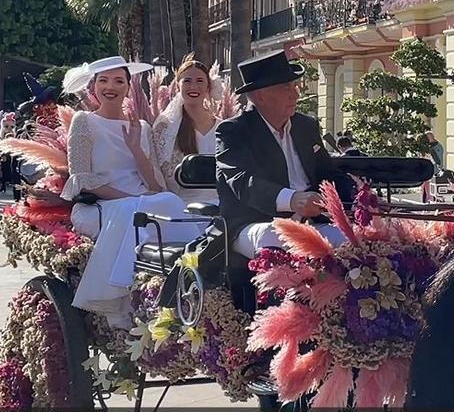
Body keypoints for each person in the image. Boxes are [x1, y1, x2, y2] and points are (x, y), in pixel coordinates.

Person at [60, 56, 201, 328]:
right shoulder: (84, 121)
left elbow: (156, 185)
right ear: (94, 87)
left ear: (128, 86)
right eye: (104, 80)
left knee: (169, 200)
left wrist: (136, 148)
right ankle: (113, 301)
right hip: (98, 206)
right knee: (132, 211)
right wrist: (131, 199)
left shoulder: (142, 127)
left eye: (118, 81)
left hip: (142, 202)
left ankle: (195, 274)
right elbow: (83, 180)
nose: (110, 86)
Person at [216, 50, 355, 259]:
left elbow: (328, 174)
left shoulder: (306, 126)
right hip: (254, 223)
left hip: (310, 223)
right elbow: (243, 182)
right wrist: (293, 199)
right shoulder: (233, 131)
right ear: (259, 95)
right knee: (272, 237)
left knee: (358, 239)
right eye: (286, 87)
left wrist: (358, 195)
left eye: (294, 86)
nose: (296, 94)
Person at [152, 54, 220, 205]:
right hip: (183, 205)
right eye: (187, 81)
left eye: (200, 81)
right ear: (178, 86)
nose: (193, 87)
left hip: (223, 203)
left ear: (208, 86)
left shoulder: (223, 127)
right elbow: (161, 174)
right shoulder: (166, 127)